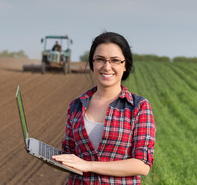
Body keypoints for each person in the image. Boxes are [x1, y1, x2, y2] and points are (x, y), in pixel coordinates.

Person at [53, 32, 156, 184]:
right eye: (100, 59)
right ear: (92, 63)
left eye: (115, 60)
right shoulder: (76, 105)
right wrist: (43, 154)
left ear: (125, 65)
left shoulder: (138, 107)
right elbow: (70, 155)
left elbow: (142, 165)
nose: (107, 67)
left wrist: (89, 165)